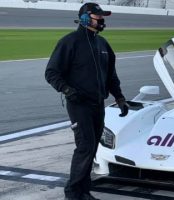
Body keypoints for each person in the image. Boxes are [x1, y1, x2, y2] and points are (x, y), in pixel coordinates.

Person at [45, 3, 129, 200]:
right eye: (97, 16)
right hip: (78, 104)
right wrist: (67, 90)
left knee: (91, 148)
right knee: (85, 146)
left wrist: (120, 97)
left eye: (102, 17)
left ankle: (83, 191)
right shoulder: (69, 42)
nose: (101, 20)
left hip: (97, 104)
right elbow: (51, 73)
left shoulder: (103, 45)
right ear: (84, 18)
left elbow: (111, 77)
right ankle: (73, 193)